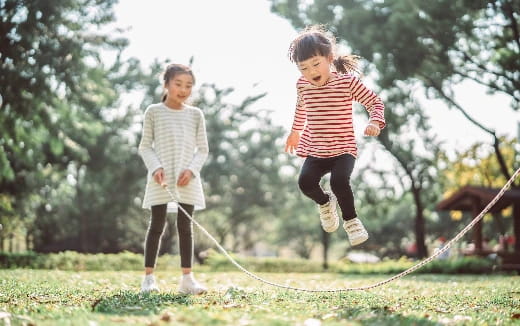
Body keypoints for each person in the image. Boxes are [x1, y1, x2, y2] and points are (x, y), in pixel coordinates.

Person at [284, 25, 385, 246]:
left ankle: (352, 221)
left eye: (315, 64)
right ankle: (325, 202)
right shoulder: (302, 85)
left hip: (343, 148)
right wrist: (295, 132)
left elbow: (374, 102)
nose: (310, 72)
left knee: (339, 181)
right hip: (316, 148)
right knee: (305, 183)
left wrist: (375, 121)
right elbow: (301, 109)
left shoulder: (346, 83)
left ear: (329, 58)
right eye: (304, 68)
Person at [138, 63, 209, 294]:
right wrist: (155, 167)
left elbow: (203, 150)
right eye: (178, 84)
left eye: (188, 85)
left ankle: (187, 280)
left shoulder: (196, 115)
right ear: (166, 84)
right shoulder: (153, 112)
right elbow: (145, 147)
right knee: (156, 225)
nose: (183, 90)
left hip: (187, 178)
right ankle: (148, 279)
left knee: (185, 226)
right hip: (161, 177)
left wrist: (191, 171)